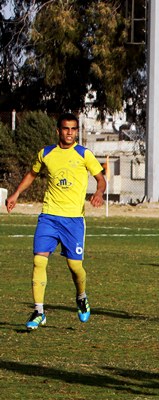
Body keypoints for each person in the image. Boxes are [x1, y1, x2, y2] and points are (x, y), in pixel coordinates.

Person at [6, 112, 106, 330]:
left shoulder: (84, 154)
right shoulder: (46, 153)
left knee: (75, 267)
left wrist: (99, 193)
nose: (69, 133)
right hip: (49, 217)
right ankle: (39, 311)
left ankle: (81, 296)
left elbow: (101, 179)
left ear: (76, 131)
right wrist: (15, 194)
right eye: (65, 128)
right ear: (58, 131)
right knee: (39, 261)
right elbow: (32, 174)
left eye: (73, 129)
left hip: (73, 221)